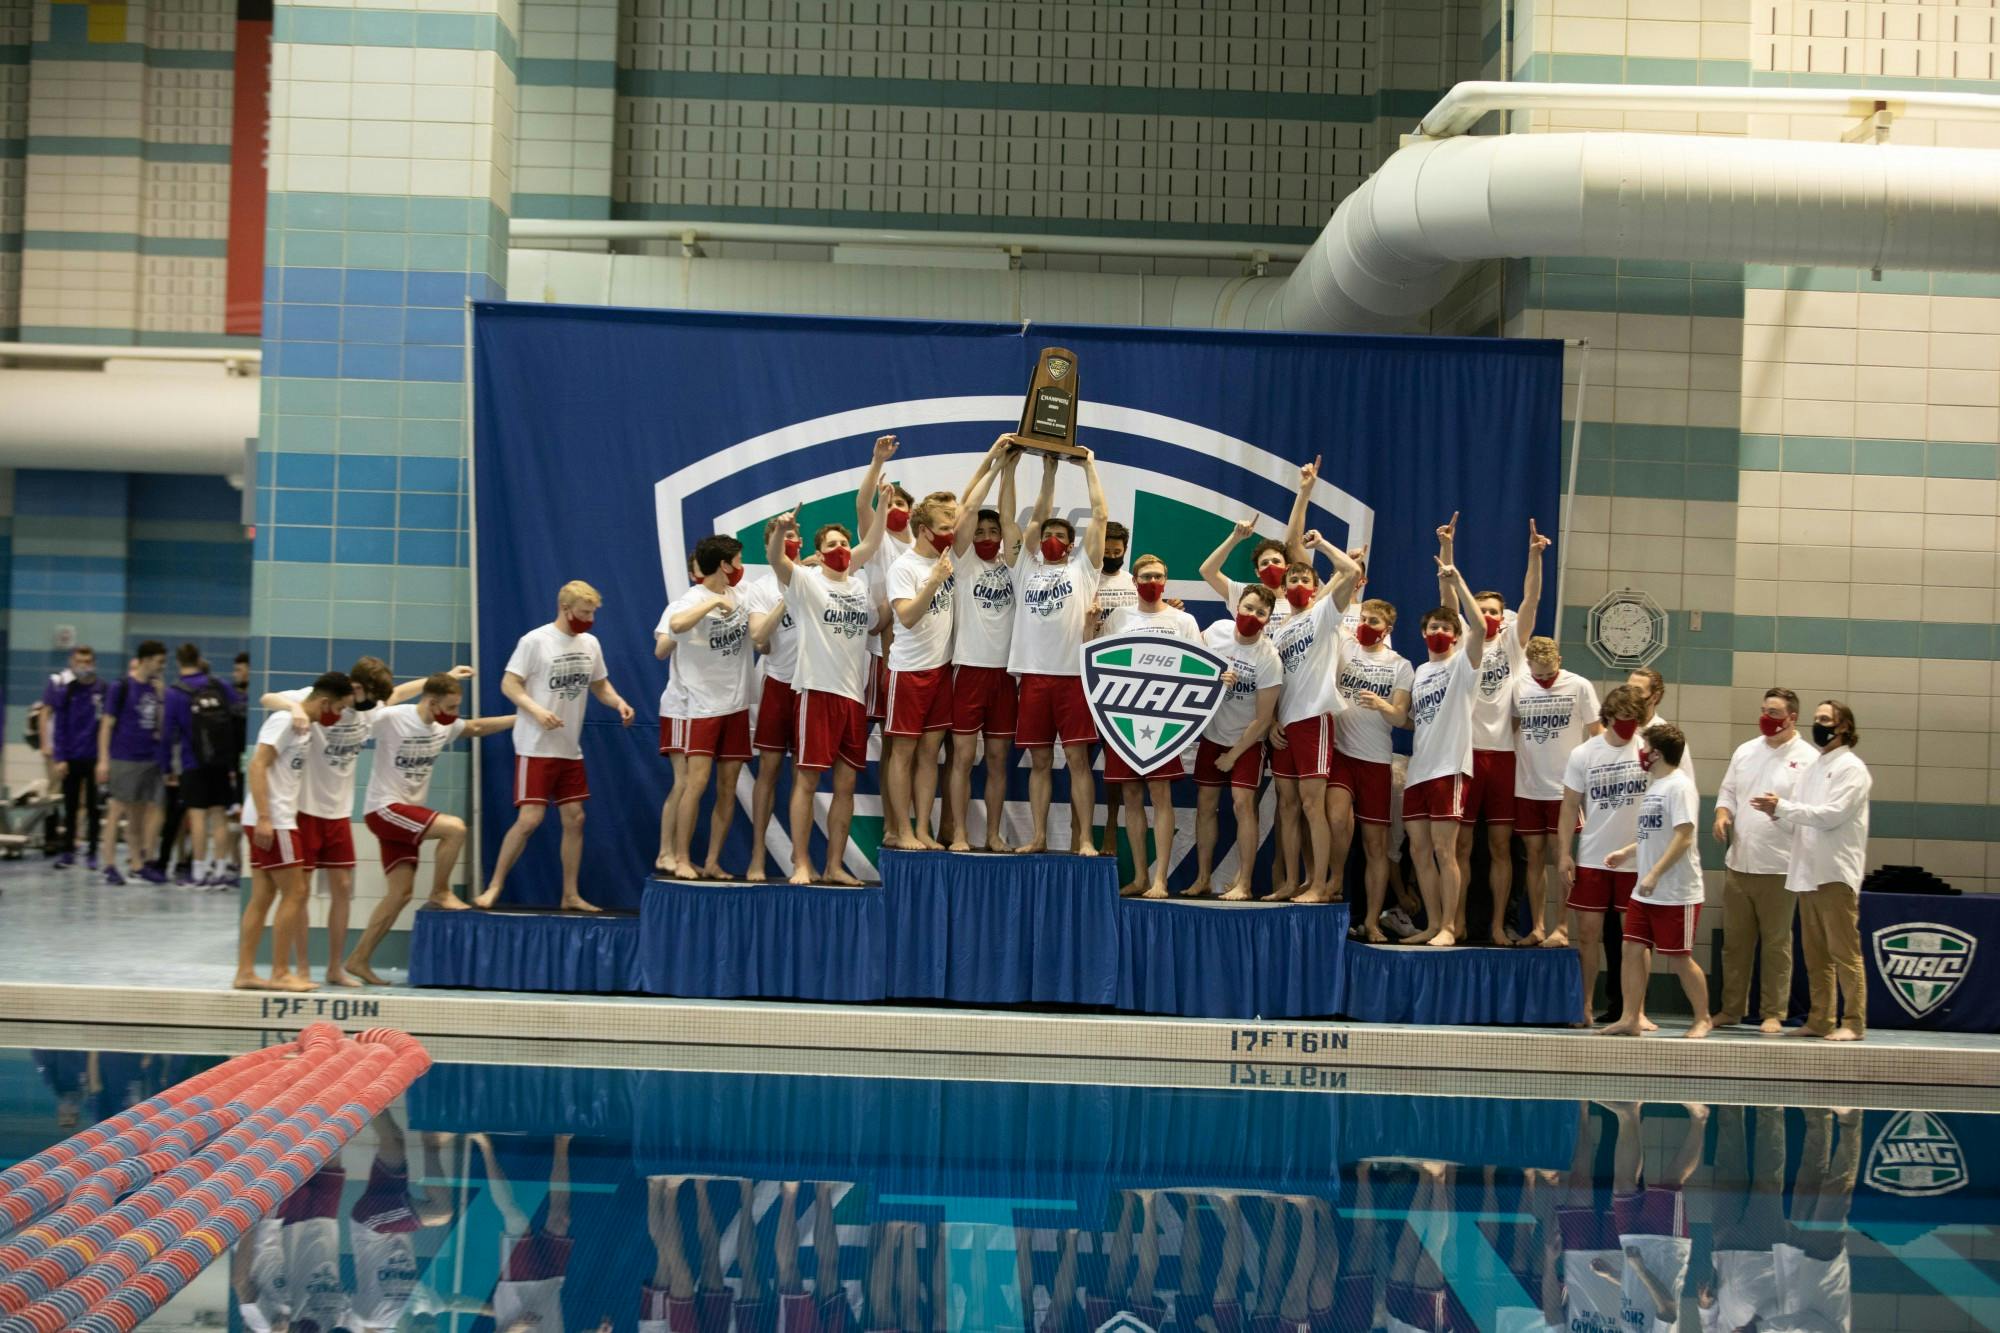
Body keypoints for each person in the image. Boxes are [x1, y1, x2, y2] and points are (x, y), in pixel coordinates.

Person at [261, 656, 471, 982]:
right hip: (306, 808)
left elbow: (398, 694)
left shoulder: (370, 708)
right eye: (371, 696)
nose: (376, 703)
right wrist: (297, 710)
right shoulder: (326, 699)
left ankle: (335, 968)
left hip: (340, 810)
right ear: (356, 688)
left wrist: (444, 676)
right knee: (300, 892)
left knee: (343, 888)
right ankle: (302, 968)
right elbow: (268, 698)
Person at [476, 580, 637, 911]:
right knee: (530, 819)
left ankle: (570, 893)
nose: (589, 618)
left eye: (593, 613)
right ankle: (494, 885)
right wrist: (535, 710)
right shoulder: (535, 641)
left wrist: (618, 702)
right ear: (565, 609)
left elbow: (600, 684)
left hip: (568, 747)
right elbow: (509, 683)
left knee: (575, 818)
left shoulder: (590, 643)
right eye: (584, 612)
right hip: (536, 745)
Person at [346, 674, 515, 985]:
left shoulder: (443, 725)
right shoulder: (393, 718)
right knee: (454, 829)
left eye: (457, 706)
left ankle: (358, 959)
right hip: (383, 808)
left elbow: (476, 727)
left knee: (400, 894)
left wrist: (520, 718)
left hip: (403, 814)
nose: (454, 713)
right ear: (431, 701)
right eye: (450, 706)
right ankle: (441, 891)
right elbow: (382, 703)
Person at [767, 490, 890, 884]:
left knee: (847, 784)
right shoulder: (806, 583)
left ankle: (835, 865)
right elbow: (776, 561)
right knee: (806, 779)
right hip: (816, 691)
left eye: (843, 543)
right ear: (819, 554)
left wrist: (883, 506)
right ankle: (800, 862)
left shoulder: (858, 587)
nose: (840, 549)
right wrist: (781, 533)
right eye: (831, 545)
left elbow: (871, 543)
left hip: (852, 696)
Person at [1438, 514, 1548, 944]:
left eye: (1494, 612)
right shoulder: (1464, 638)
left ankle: (1499, 925)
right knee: (1461, 848)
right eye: (1481, 610)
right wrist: (1447, 550)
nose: (1487, 616)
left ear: (1504, 617)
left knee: (1502, 849)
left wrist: (1534, 556)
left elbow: (1533, 598)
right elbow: (1448, 596)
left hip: (1504, 756)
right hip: (1463, 755)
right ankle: (1458, 921)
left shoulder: (1512, 643)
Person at [1751, 699, 1872, 1042]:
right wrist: (1777, 813)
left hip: (1834, 873)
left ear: (1844, 726)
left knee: (1844, 953)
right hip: (1807, 872)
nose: (1818, 724)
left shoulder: (1852, 768)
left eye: (1825, 719)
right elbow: (1801, 824)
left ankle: (1853, 1021)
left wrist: (1785, 807)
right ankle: (1821, 1019)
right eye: (1816, 718)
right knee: (1816, 956)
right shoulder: (1813, 769)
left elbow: (1831, 815)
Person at [1008, 449, 1109, 855]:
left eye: (1060, 537)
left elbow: (1100, 516)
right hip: (1033, 675)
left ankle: (1084, 838)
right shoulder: (1024, 567)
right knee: (1039, 763)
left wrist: (1088, 466)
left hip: (1072, 677)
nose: (1051, 541)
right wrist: (1047, 472)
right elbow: (1025, 523)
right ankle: (1038, 837)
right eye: (1048, 536)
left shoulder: (1083, 568)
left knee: (1078, 761)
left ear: (1070, 545)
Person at [1092, 554, 1202, 897]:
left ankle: (1160, 880)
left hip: (1164, 720)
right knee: (1131, 795)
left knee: (1161, 795)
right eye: (1145, 575)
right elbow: (1100, 662)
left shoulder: (1183, 620)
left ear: (1166, 580)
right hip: (1125, 719)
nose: (1151, 581)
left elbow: (1198, 667)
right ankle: (1140, 876)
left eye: (1157, 575)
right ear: (1134, 581)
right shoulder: (1120, 617)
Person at [237, 671, 352, 992]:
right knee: (296, 892)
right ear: (325, 702)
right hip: (275, 818)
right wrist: (264, 817)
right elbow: (258, 764)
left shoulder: (302, 719)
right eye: (340, 708)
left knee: (263, 896)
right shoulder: (287, 721)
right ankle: (279, 972)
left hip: (273, 816)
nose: (341, 715)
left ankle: (245, 972)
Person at [1713, 687, 1818, 1033]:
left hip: (1780, 866)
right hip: (1740, 862)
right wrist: (1722, 815)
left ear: (1792, 718)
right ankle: (1731, 1009)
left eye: (1773, 713)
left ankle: (1773, 1011)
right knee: (1735, 945)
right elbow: (1728, 791)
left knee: (1776, 945)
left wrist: (1781, 812)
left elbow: (1812, 813)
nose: (1766, 718)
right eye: (1763, 710)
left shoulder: (1808, 759)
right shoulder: (1746, 751)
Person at [1266, 533, 1363, 905]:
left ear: (1317, 586)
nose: (1298, 585)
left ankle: (1320, 886)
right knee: (1287, 807)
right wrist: (1273, 717)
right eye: (1292, 579)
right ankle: (1293, 882)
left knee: (1312, 805)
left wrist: (1322, 544)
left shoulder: (1323, 615)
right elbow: (1278, 680)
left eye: (1305, 580)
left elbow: (1351, 570)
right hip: (1285, 723)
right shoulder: (1280, 630)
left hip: (1313, 719)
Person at [1600, 724, 1711, 1038]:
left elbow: (1684, 836)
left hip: (1676, 892)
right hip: (1645, 892)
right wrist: (1626, 852)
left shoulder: (1680, 786)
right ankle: (1630, 1017)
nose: (1641, 752)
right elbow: (1654, 835)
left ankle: (1703, 1017)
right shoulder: (1655, 786)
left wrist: (1654, 873)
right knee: (1631, 950)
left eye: (1644, 746)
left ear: (1657, 753)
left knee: (1678, 959)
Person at [1399, 559, 1486, 945]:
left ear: (1455, 636)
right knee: (1418, 851)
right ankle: (1432, 924)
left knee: (1443, 849)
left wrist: (1457, 579)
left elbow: (1480, 627)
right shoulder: (1420, 672)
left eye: (1446, 628)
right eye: (1433, 627)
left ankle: (1451, 925)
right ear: (1423, 633)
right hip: (1419, 769)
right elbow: (1418, 721)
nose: (1439, 631)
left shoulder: (1463, 665)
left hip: (1450, 768)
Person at [1554, 686, 1651, 1022]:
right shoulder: (1585, 753)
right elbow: (1568, 807)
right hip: (1594, 857)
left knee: (1635, 939)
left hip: (1636, 860)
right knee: (1589, 935)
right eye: (1622, 720)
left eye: (1634, 721)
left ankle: (1636, 1009)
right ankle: (1584, 1004)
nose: (1628, 727)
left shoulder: (1648, 750)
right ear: (1608, 717)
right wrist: (1565, 853)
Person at [947, 443, 1025, 852]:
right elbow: (967, 508)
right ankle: (960, 833)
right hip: (969, 668)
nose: (987, 537)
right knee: (962, 758)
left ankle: (993, 833)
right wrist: (995, 463)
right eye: (980, 531)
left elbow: (1010, 519)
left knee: (997, 760)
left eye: (992, 532)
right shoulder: (962, 562)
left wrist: (1011, 471)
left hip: (1004, 674)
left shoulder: (1013, 565)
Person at [664, 535, 756, 880]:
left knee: (727, 787)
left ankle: (713, 860)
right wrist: (712, 605)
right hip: (703, 706)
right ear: (724, 564)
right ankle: (683, 858)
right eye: (738, 560)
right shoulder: (691, 598)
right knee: (695, 783)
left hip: (736, 705)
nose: (741, 566)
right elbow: (675, 626)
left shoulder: (743, 593)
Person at [1188, 585, 1282, 902]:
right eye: (1248, 608)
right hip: (1212, 734)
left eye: (1260, 613)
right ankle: (1202, 878)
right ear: (1237, 606)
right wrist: (1210, 677)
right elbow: (1188, 664)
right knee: (1205, 805)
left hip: (1247, 740)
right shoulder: (1217, 630)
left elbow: (1264, 718)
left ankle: (1244, 883)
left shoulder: (1268, 658)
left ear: (1268, 620)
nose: (1252, 616)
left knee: (1243, 804)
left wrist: (1233, 755)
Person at [883, 489, 963, 850]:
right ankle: (901, 830)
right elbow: (908, 618)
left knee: (931, 754)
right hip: (909, 671)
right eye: (946, 526)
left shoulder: (948, 559)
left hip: (940, 669)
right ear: (924, 530)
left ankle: (923, 829)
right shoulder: (903, 567)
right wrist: (932, 582)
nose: (952, 532)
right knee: (903, 752)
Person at [1330, 594, 1413, 937]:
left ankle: (1371, 921)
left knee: (1375, 846)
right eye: (1362, 619)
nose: (1365, 625)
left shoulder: (1400, 665)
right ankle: (1332, 887)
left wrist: (1381, 703)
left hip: (1376, 759)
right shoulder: (1345, 648)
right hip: (1340, 752)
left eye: (1374, 622)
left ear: (1387, 629)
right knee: (1337, 821)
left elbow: (1400, 717)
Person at [1511, 636, 1600, 947]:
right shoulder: (1520, 686)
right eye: (1539, 675)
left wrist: (1583, 776)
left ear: (1559, 661)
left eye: (1550, 674)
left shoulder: (1579, 686)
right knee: (1533, 858)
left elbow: (1597, 734)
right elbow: (1511, 727)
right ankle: (1537, 926)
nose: (1545, 680)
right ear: (1530, 668)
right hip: (1528, 785)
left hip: (1564, 789)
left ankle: (1561, 927)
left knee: (1562, 858)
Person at [745, 527, 803, 881]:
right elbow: (758, 637)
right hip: (778, 684)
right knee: (767, 772)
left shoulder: (813, 576)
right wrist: (788, 596)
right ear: (771, 546)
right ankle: (757, 856)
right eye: (786, 536)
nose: (792, 540)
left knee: (804, 776)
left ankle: (801, 858)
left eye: (797, 534)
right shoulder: (762, 587)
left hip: (811, 687)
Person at [1198, 456, 1316, 627]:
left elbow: (1293, 542)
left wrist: (1304, 492)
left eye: (1276, 561)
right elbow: (1207, 571)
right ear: (1257, 572)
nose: (1271, 566)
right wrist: (1235, 538)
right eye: (1265, 563)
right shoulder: (1246, 596)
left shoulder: (1303, 596)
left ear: (1287, 567)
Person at [159, 643, 241, 886]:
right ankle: (220, 869)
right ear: (199, 659)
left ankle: (198, 870)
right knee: (219, 816)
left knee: (197, 817)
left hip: (191, 761)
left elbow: (167, 734)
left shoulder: (175, 692)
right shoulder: (218, 685)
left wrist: (166, 767)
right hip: (220, 760)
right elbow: (237, 708)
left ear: (178, 662)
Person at [95, 640, 169, 885]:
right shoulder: (121, 687)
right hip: (123, 756)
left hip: (147, 757)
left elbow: (161, 725)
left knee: (138, 813)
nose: (162, 667)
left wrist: (161, 698)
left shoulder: (155, 689)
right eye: (159, 662)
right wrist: (104, 759)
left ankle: (137, 863)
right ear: (146, 660)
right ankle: (109, 864)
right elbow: (106, 724)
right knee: (116, 810)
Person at [856, 436, 913, 736]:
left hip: (919, 651)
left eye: (900, 503)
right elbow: (862, 504)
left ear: (912, 512)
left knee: (908, 740)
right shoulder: (877, 541)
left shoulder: (921, 548)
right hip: (882, 651)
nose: (894, 509)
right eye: (888, 504)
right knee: (889, 737)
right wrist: (878, 461)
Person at [41, 645, 109, 869]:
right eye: (80, 661)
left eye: (88, 661)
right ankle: (67, 850)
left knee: (92, 807)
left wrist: (104, 760)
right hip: (71, 757)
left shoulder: (102, 690)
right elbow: (59, 726)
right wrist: (60, 757)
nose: (84, 665)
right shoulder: (67, 690)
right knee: (69, 807)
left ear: (94, 663)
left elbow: (107, 726)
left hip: (94, 757)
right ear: (72, 662)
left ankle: (92, 851)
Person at [653, 551, 699, 874]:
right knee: (683, 782)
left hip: (708, 707)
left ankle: (682, 853)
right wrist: (680, 627)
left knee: (697, 784)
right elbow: (660, 649)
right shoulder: (679, 608)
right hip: (681, 708)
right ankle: (665, 852)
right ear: (694, 572)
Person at [1626, 666, 1695, 780]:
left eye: (1638, 691)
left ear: (1654, 697)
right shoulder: (1613, 730)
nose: (1631, 696)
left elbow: (1687, 780)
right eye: (1627, 689)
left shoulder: (1667, 738)